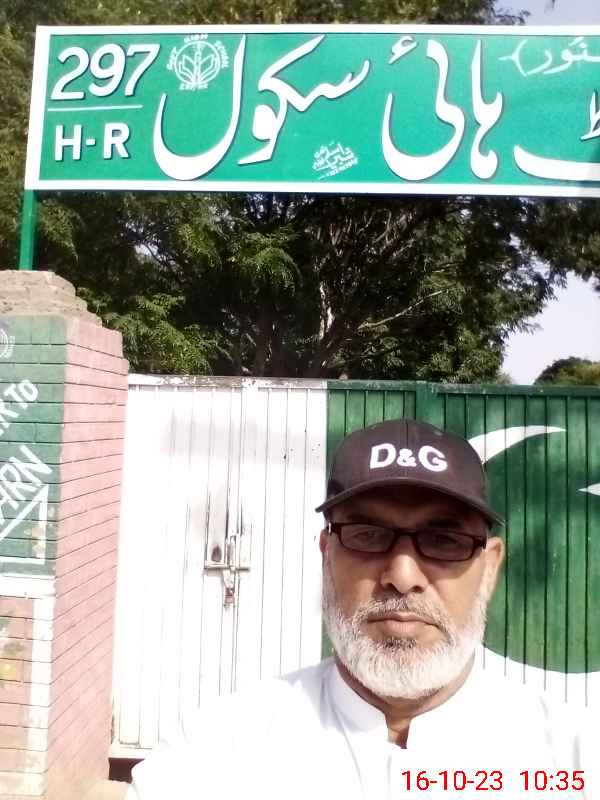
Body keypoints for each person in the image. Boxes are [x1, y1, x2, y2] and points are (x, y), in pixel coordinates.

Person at [127, 419, 595, 800]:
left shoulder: (574, 761)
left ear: (489, 569)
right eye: (368, 535)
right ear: (326, 555)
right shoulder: (216, 754)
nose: (403, 576)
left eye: (444, 540)